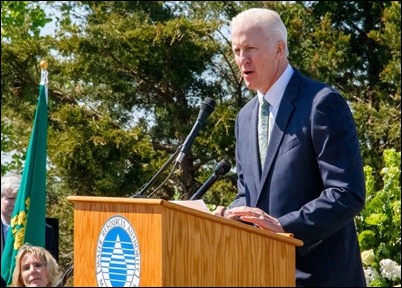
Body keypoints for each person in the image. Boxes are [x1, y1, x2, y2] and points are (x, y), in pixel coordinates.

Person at [213, 8, 366, 287]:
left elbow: (347, 192)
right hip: (264, 275)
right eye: (236, 50)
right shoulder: (245, 117)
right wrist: (229, 216)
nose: (241, 60)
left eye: (250, 48)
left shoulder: (321, 103)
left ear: (279, 49)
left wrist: (285, 227)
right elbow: (248, 194)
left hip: (321, 277)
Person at [1, 173, 58, 286]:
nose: (16, 204)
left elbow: (51, 271)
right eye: (10, 198)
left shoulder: (46, 232)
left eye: (20, 198)